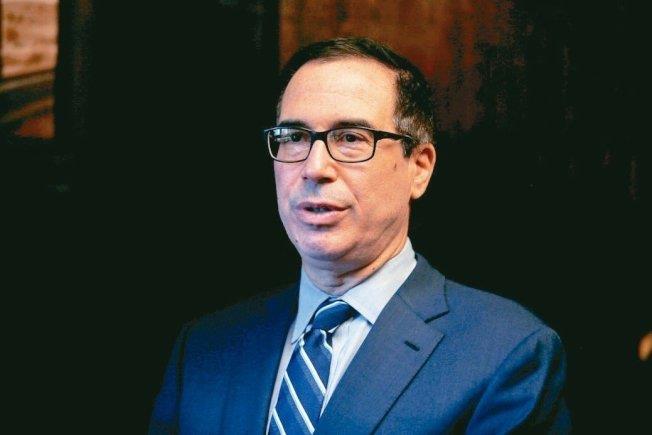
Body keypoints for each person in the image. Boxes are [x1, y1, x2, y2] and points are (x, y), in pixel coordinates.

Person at [149, 37, 570, 434]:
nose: (315, 168)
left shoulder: (507, 353)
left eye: (351, 138)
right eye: (294, 137)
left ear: (419, 167)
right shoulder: (204, 346)